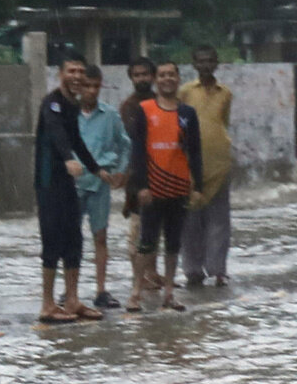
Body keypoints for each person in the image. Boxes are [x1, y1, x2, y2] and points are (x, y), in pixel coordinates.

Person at [121, 58, 201, 312]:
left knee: (173, 243)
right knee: (146, 242)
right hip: (152, 188)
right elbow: (137, 151)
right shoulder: (144, 110)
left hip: (178, 187)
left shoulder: (188, 113)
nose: (167, 79)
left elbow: (195, 152)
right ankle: (136, 292)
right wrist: (141, 186)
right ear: (157, 79)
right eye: (163, 75)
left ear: (178, 80)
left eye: (172, 75)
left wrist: (197, 185)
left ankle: (169, 293)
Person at [35, 55, 99, 324]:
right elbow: (57, 135)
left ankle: (72, 299)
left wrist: (97, 169)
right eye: (71, 70)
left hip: (66, 182)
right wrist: (68, 159)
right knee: (52, 239)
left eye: (81, 71)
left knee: (74, 238)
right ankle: (48, 304)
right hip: (49, 180)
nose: (76, 75)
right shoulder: (51, 103)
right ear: (60, 72)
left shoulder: (73, 104)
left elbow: (76, 139)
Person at [180, 46, 235, 286]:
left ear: (217, 63)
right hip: (190, 162)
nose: (205, 65)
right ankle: (192, 269)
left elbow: (223, 123)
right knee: (190, 218)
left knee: (220, 219)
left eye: (210, 61)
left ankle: (218, 269)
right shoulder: (185, 92)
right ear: (193, 64)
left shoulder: (226, 93)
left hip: (219, 162)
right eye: (201, 61)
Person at [79, 64, 129, 310]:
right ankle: (71, 291)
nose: (91, 91)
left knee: (100, 236)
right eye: (86, 86)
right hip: (73, 184)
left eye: (95, 86)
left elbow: (125, 144)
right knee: (71, 238)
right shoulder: (68, 115)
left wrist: (121, 171)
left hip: (100, 184)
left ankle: (100, 290)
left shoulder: (109, 115)